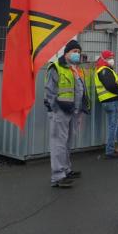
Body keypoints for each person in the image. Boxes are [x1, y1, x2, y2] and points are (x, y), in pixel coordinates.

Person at [43, 40, 89, 188]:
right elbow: (49, 92)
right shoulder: (55, 67)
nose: (77, 54)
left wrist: (80, 108)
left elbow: (79, 90)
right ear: (66, 52)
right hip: (60, 112)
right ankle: (57, 176)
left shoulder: (74, 69)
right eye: (74, 51)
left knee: (67, 143)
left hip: (72, 112)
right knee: (58, 143)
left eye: (78, 52)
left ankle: (66, 170)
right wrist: (56, 110)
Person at [95, 50, 118, 158]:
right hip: (112, 101)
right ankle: (109, 151)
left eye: (112, 57)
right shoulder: (104, 70)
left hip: (109, 102)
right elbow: (111, 86)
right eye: (110, 58)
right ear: (104, 59)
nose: (112, 60)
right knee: (113, 127)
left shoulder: (103, 69)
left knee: (117, 126)